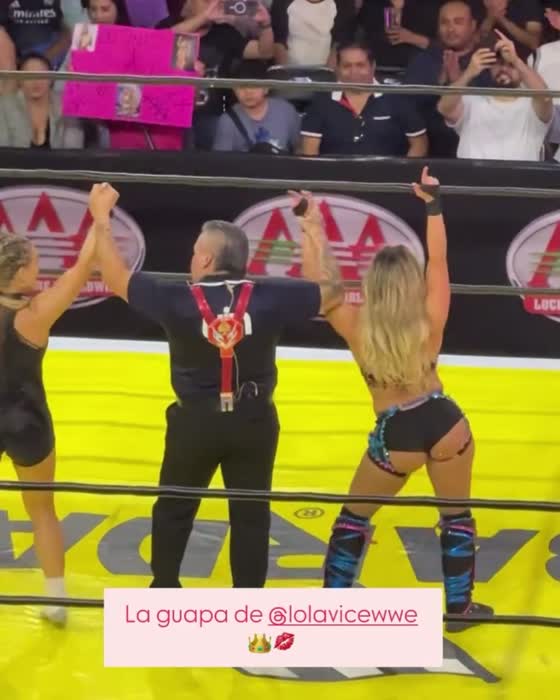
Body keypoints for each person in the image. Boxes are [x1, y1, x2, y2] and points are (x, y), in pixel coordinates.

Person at [92, 189, 344, 588]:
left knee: (174, 509)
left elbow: (114, 276)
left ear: (207, 260)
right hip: (254, 421)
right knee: (251, 516)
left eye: (196, 252)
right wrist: (312, 227)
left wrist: (101, 217)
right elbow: (329, 290)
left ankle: (164, 591)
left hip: (195, 424)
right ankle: (246, 605)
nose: (191, 259)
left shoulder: (175, 298)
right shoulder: (271, 297)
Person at [293, 167, 493, 632]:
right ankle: (459, 608)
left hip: (395, 434)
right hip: (444, 421)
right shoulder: (429, 317)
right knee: (456, 515)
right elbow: (438, 262)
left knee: (353, 517)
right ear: (409, 285)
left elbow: (319, 282)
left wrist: (311, 225)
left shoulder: (355, 325)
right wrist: (434, 206)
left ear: (373, 287)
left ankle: (332, 605)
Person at [0, 182, 118, 626]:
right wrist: (99, 216)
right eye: (34, 262)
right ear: (18, 273)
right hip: (27, 420)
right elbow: (84, 266)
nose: (40, 267)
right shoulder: (35, 315)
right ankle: (56, 600)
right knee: (42, 510)